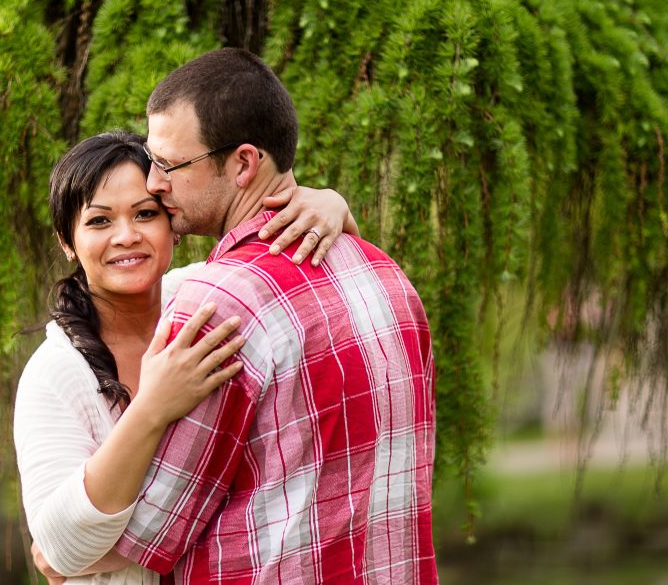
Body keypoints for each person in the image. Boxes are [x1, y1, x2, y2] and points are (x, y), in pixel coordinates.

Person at [103, 48, 438, 583]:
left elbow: (147, 531)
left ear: (243, 163)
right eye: (151, 160)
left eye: (169, 165)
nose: (154, 183)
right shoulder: (387, 277)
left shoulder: (218, 305)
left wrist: (58, 545)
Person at [14, 131, 358, 584]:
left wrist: (332, 204)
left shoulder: (212, 299)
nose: (126, 236)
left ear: (172, 223)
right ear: (66, 240)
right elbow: (60, 547)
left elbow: (304, 268)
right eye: (99, 221)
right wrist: (153, 407)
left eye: (145, 214)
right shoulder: (55, 374)